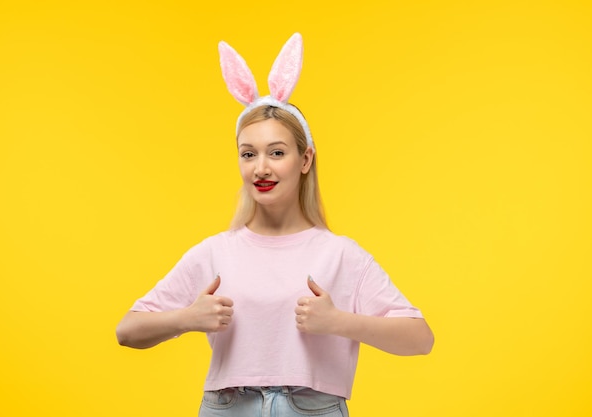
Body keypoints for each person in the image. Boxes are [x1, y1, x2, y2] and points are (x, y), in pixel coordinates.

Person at [116, 32, 434, 417]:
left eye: (277, 153)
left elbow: (420, 338)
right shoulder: (216, 252)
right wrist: (187, 319)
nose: (261, 168)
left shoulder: (341, 255)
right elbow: (127, 331)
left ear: (305, 159)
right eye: (248, 154)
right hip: (227, 408)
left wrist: (338, 322)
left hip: (313, 409)